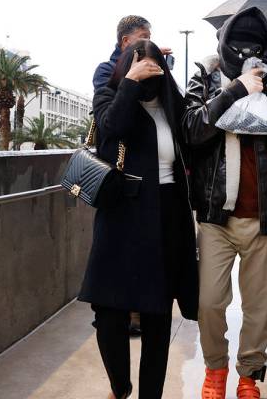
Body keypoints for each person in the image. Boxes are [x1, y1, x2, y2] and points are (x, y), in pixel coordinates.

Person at [182, 6, 267, 399]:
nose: (246, 51)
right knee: (210, 303)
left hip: (265, 216)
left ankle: (249, 375)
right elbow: (191, 130)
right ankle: (215, 369)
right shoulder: (205, 76)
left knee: (260, 308)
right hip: (218, 215)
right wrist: (235, 90)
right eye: (239, 44)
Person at [79, 39, 199, 399]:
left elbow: (197, 133)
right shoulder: (109, 95)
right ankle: (121, 386)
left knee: (157, 316)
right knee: (109, 314)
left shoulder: (171, 103)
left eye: (153, 66)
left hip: (167, 217)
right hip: (121, 216)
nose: (149, 72)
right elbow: (111, 130)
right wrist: (129, 83)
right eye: (140, 65)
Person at [93, 15, 172, 91]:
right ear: (126, 41)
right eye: (144, 37)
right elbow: (112, 103)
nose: (149, 42)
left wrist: (155, 60)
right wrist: (134, 75)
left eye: (149, 38)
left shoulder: (150, 65)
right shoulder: (105, 70)